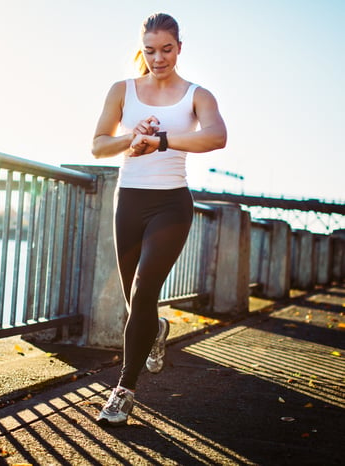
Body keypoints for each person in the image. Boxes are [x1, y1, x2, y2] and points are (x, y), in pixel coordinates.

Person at [91, 12, 227, 426]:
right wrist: (132, 139)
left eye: (166, 49)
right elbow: (98, 146)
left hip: (171, 204)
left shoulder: (196, 95)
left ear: (179, 48)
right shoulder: (122, 90)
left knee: (144, 286)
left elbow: (217, 136)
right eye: (150, 50)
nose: (158, 58)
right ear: (142, 48)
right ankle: (157, 330)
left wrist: (161, 140)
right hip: (129, 201)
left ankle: (123, 391)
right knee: (139, 304)